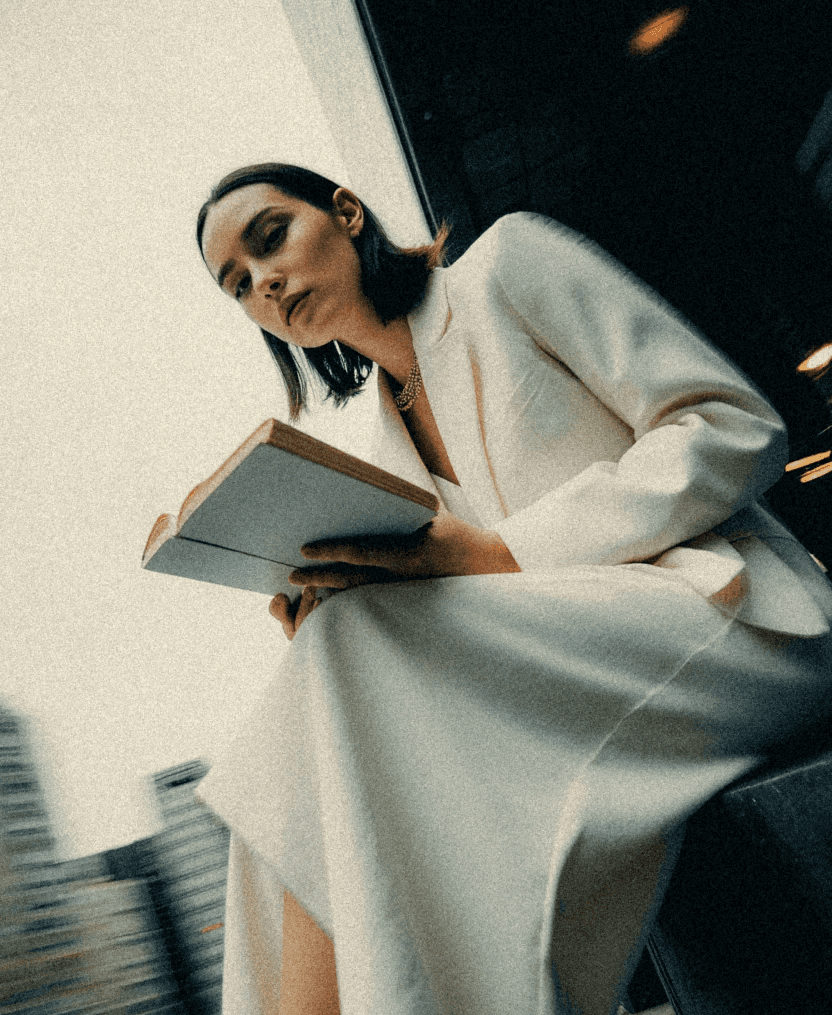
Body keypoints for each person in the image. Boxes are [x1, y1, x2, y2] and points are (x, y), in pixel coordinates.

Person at [192, 163, 832, 1015]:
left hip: (736, 615)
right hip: (585, 674)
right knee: (299, 718)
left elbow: (735, 428)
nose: (263, 283)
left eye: (270, 238)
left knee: (349, 652)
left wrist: (499, 551)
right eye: (237, 285)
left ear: (346, 213)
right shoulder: (383, 458)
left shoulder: (506, 267)